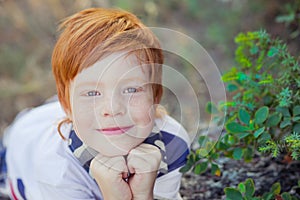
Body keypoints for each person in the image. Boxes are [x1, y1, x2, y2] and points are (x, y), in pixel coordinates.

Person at [0, 8, 190, 200]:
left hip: (81, 118)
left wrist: (143, 194)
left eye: (131, 90)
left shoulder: (173, 144)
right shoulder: (56, 170)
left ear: (155, 97)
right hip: (24, 141)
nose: (113, 109)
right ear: (66, 105)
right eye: (92, 92)